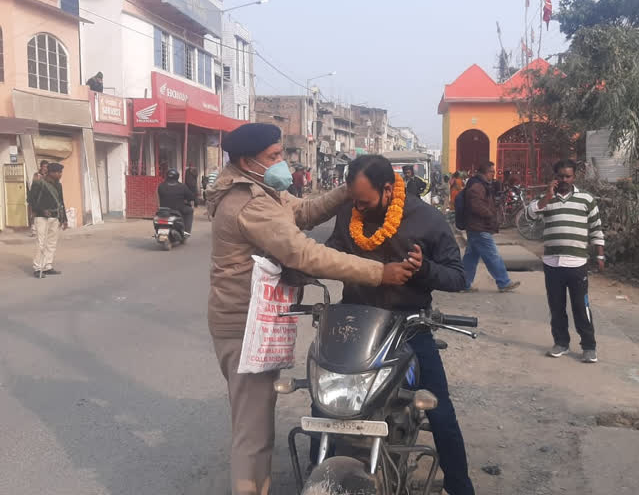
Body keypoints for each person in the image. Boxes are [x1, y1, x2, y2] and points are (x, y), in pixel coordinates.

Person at [205, 123, 416, 495]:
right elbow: (303, 252)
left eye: (281, 153)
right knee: (252, 433)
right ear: (245, 161)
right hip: (243, 326)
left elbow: (302, 213)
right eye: (273, 157)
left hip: (254, 321)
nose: (281, 162)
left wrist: (346, 191)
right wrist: (379, 272)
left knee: (257, 426)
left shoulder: (262, 190)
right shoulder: (249, 203)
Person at [324, 154, 475, 495]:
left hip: (409, 329)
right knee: (325, 405)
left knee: (440, 412)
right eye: (354, 201)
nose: (358, 207)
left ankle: (460, 486)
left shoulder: (428, 218)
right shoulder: (348, 214)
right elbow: (331, 253)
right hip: (356, 329)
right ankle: (320, 476)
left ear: (389, 190)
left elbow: (457, 277)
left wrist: (424, 271)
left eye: (365, 201)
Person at [528, 159, 605, 363]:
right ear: (555, 176)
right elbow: (529, 217)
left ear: (574, 177)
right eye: (560, 176)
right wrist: (547, 197)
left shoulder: (586, 199)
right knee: (556, 306)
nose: (564, 180)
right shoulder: (546, 199)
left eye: (568, 176)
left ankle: (589, 346)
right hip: (552, 263)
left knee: (581, 307)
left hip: (577, 263)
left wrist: (600, 254)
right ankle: (561, 342)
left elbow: (596, 228)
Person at [462, 161, 520, 293]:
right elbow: (476, 205)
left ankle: (463, 283)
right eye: (491, 172)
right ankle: (503, 282)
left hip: (475, 227)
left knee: (471, 257)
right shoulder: (477, 186)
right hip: (479, 227)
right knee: (492, 255)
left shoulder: (480, 184)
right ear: (483, 173)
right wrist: (490, 214)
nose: (493, 175)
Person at [27, 162, 68, 278]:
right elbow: (30, 200)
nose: (60, 175)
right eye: (58, 172)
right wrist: (42, 209)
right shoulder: (39, 183)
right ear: (51, 173)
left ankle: (47, 266)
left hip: (55, 217)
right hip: (41, 217)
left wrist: (64, 219)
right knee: (41, 243)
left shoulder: (58, 185)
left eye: (61, 172)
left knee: (51, 243)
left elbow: (61, 202)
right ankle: (37, 268)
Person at [157, 169, 195, 236]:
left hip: (163, 210)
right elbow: (191, 196)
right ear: (177, 176)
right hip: (178, 209)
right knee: (190, 210)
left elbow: (158, 197)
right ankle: (186, 232)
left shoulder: (161, 186)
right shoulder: (182, 186)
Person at [29, 160, 49, 236]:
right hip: (36, 197)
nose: (45, 168)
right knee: (34, 213)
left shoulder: (48, 175)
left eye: (47, 167)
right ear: (41, 167)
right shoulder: (36, 174)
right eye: (44, 166)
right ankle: (33, 231)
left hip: (45, 197)